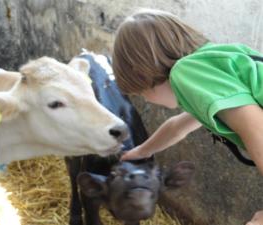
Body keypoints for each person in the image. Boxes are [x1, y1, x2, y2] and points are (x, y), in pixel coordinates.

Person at [112, 8, 263, 225]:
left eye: (140, 93)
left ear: (144, 72)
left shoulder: (185, 72)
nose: (145, 100)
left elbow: (256, 128)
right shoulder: (211, 66)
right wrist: (142, 151)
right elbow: (178, 127)